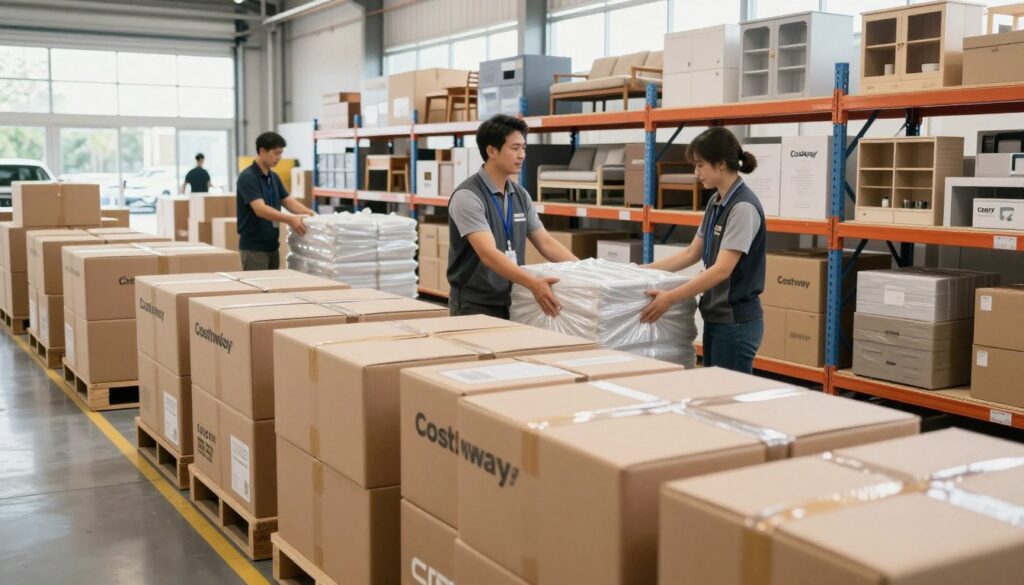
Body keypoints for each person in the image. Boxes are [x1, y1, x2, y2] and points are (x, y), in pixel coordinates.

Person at [641, 126, 766, 374]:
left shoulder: (742, 207)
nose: (696, 172)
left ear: (720, 164)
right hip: (716, 317)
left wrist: (670, 297)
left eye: (700, 165)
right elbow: (691, 253)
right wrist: (640, 270)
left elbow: (721, 270)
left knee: (727, 393)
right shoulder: (716, 201)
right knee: (714, 389)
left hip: (735, 322)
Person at [447, 114, 579, 319]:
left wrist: (584, 269)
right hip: (475, 303)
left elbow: (546, 243)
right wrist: (533, 283)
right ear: (491, 151)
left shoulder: (520, 194)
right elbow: (488, 253)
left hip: (513, 298)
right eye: (515, 148)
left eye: (524, 148)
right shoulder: (468, 196)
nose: (522, 155)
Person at [236, 132, 315, 271]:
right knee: (258, 284)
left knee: (273, 284)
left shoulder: (273, 177)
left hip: (272, 246)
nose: (279, 158)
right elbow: (260, 209)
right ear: (262, 151)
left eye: (281, 153)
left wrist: (312, 214)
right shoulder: (248, 177)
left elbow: (288, 201)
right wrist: (291, 219)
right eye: (276, 153)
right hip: (254, 249)